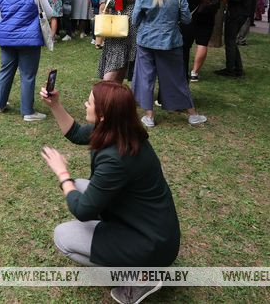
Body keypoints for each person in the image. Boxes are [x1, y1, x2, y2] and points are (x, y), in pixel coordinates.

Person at [39, 81, 180, 303]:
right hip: (153, 229)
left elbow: (82, 210)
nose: (85, 104)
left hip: (150, 244)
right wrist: (55, 105)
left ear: (103, 115)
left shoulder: (116, 158)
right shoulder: (121, 130)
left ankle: (141, 277)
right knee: (81, 185)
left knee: (63, 236)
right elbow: (76, 133)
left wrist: (62, 174)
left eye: (90, 102)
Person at [131, 0, 207, 128]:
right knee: (176, 78)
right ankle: (192, 114)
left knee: (145, 78)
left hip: (146, 40)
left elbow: (135, 21)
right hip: (170, 40)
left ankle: (149, 116)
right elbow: (186, 19)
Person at [0, 0, 52, 121]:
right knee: (27, 75)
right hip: (29, 39)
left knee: (5, 70)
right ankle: (28, 112)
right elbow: (49, 12)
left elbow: (0, 14)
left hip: (7, 37)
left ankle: (0, 104)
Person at [97, 0, 141, 82]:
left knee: (124, 63)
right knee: (115, 62)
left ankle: (115, 92)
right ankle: (103, 91)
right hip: (119, 26)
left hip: (133, 29)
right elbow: (108, 2)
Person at [216, 0, 256, 78]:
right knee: (232, 41)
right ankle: (237, 69)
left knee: (229, 41)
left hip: (235, 12)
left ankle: (231, 70)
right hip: (244, 12)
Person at [176, 0, 209, 80]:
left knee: (181, 58)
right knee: (181, 57)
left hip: (184, 27)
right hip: (187, 25)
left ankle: (181, 84)